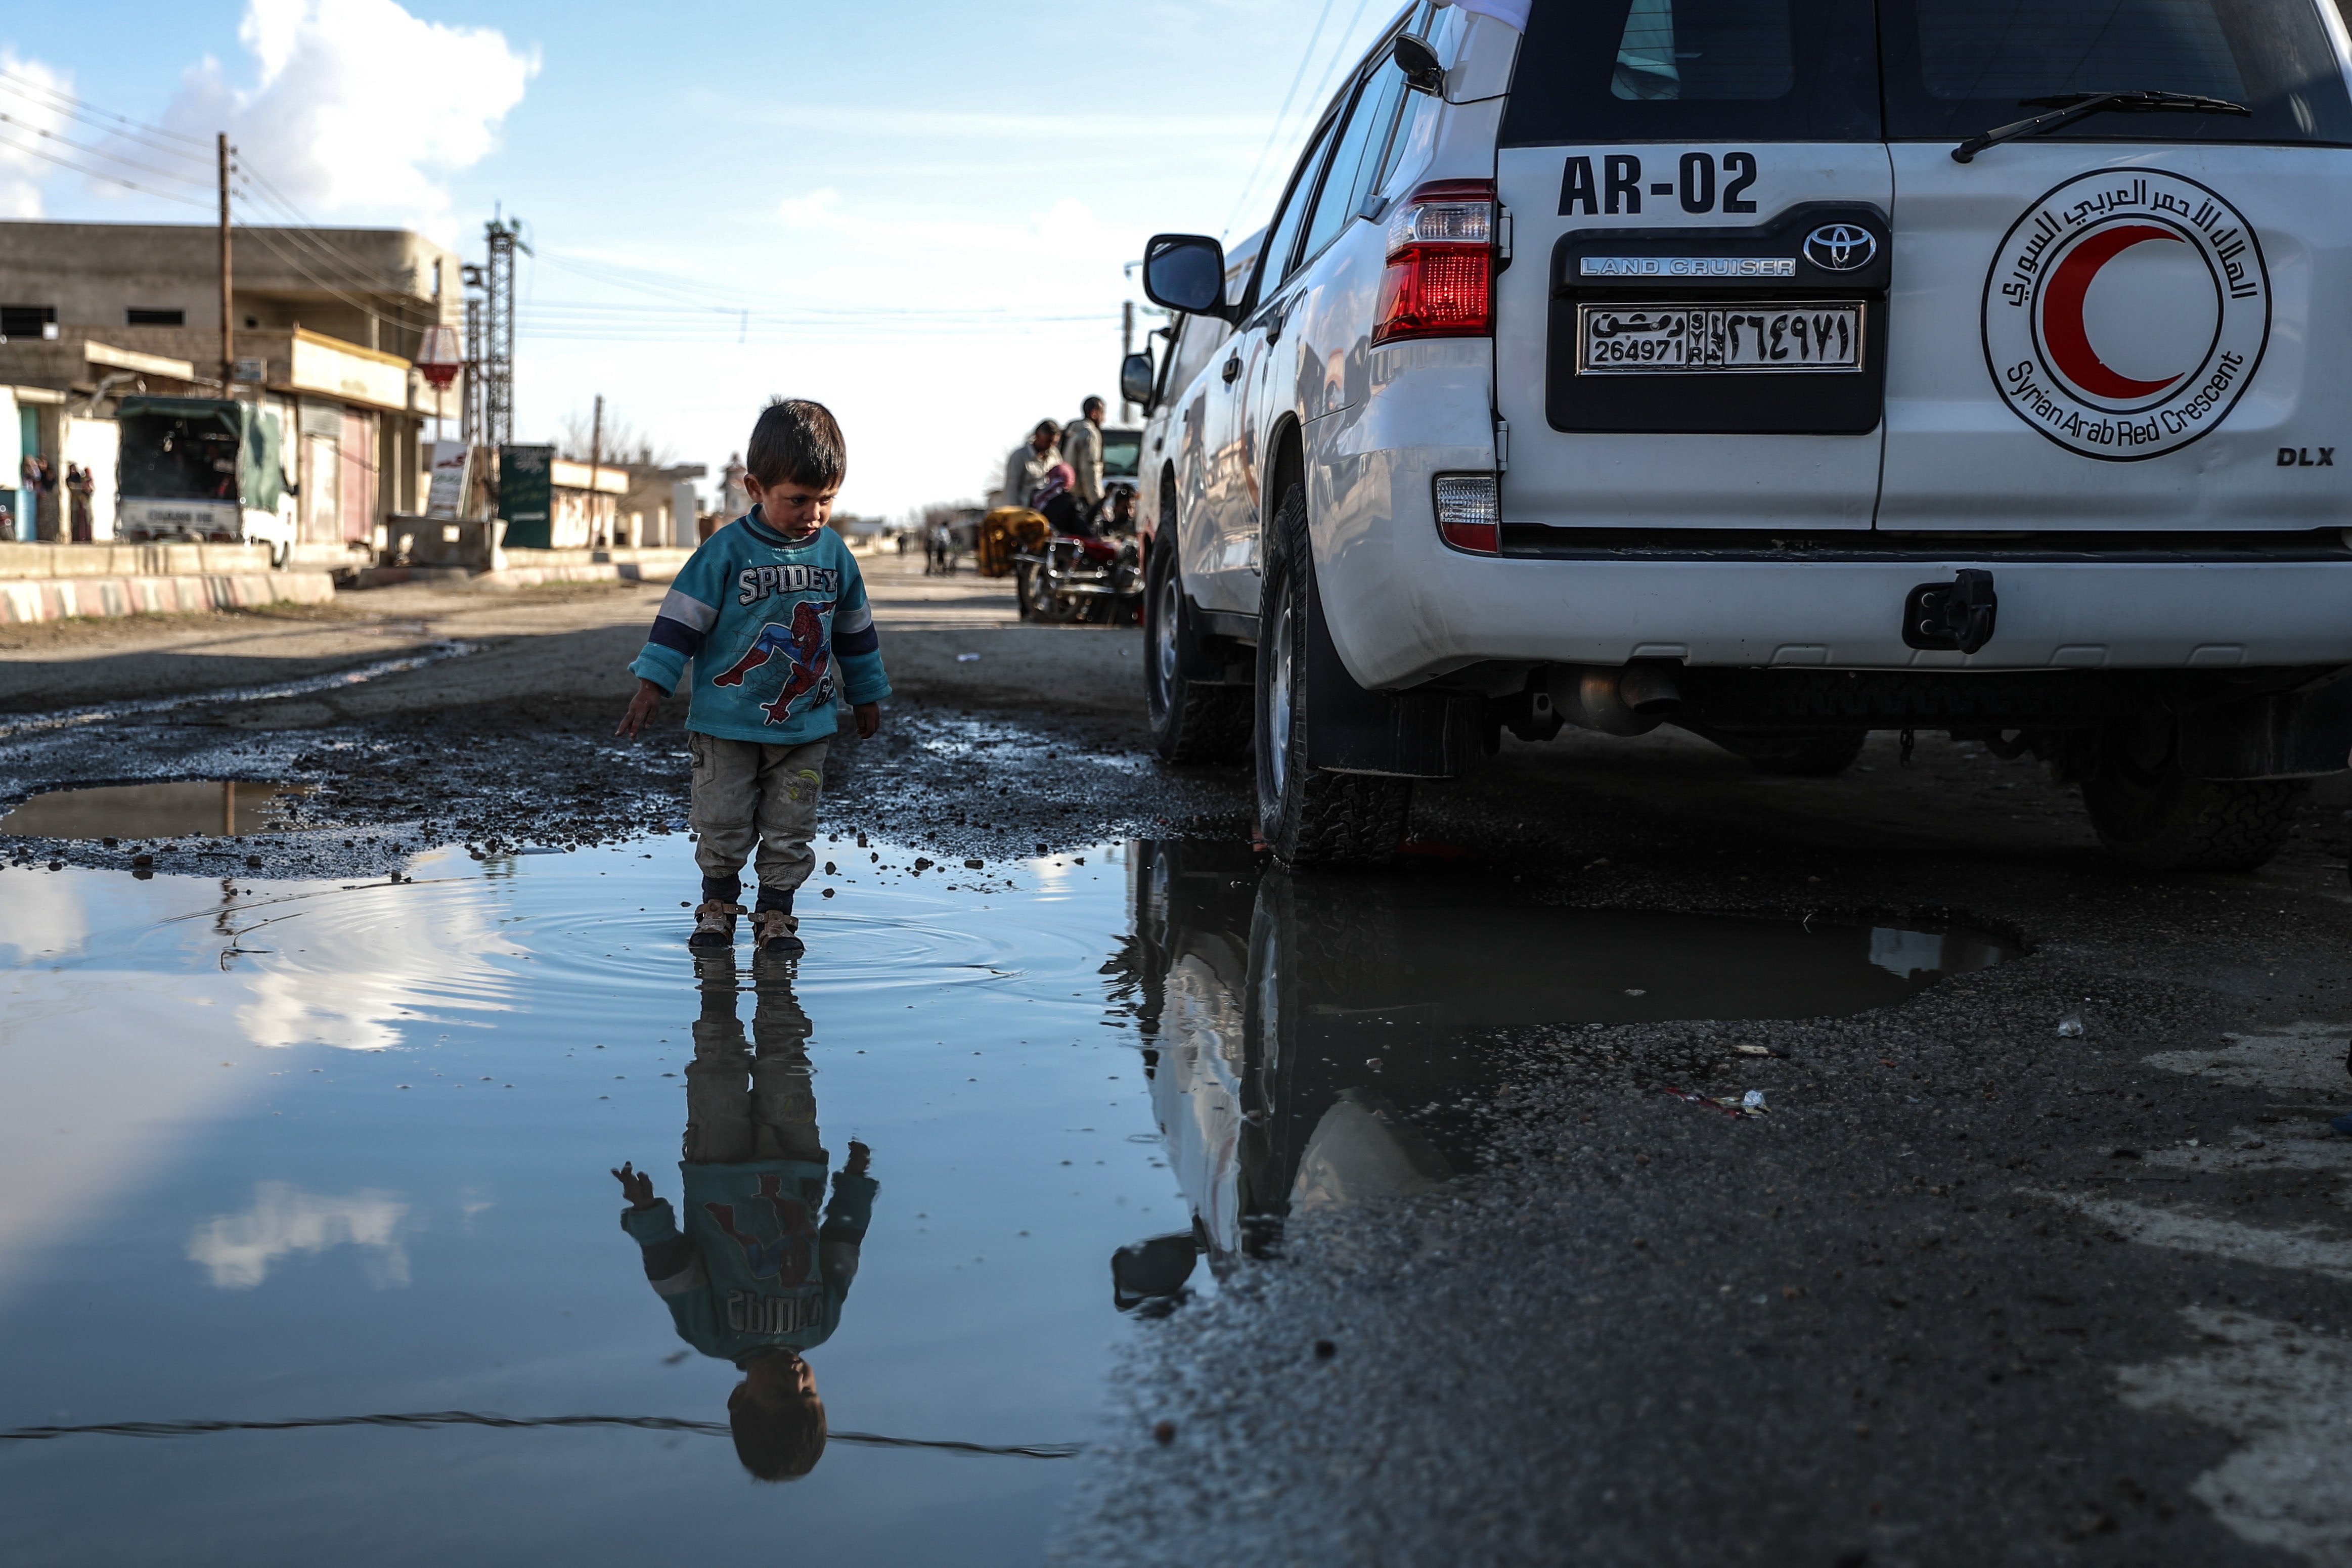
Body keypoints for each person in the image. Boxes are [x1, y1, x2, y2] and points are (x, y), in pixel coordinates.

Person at [614, 399, 891, 955]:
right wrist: (653, 683)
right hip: (726, 724)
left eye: (827, 499)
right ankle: (717, 907)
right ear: (755, 487)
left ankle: (776, 916)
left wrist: (866, 693)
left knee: (791, 823)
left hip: (805, 725)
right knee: (722, 821)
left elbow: (856, 632)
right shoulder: (725, 551)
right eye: (798, 499)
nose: (813, 512)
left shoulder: (836, 555)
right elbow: (680, 621)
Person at [612, 958, 876, 1482]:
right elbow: (842, 1248)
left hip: (719, 1171)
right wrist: (854, 1183)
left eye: (783, 1391)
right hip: (798, 1168)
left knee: (716, 1067)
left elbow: (673, 1270)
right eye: (811, 1392)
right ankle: (776, 972)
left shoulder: (712, 1336)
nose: (798, 1378)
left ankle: (714, 977)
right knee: (788, 1063)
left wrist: (648, 1212)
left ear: (738, 1397)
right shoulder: (820, 1325)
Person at [1002, 420, 1059, 514]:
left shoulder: (1055, 455)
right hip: (1026, 512)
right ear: (1037, 436)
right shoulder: (1020, 456)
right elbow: (1011, 489)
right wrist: (1015, 514)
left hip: (1050, 512)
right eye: (1048, 441)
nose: (1050, 446)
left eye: (1054, 443)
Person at [1062, 396, 1107, 517]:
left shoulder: (1073, 433)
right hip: (1083, 497)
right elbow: (1090, 470)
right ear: (1095, 413)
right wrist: (1097, 503)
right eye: (1103, 414)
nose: (1104, 419)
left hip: (1070, 494)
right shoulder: (1090, 435)